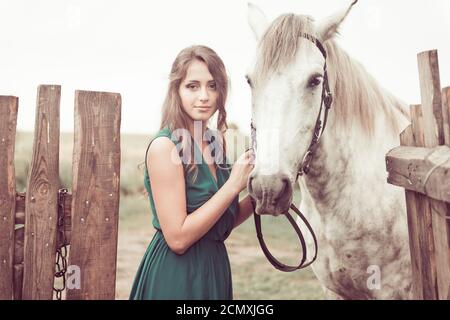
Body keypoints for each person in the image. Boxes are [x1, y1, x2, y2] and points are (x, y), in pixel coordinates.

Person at [129, 45, 255, 300]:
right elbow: (178, 238)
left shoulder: (213, 142)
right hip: (177, 276)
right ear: (176, 90)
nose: (204, 96)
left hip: (215, 270)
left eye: (213, 85)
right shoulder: (165, 147)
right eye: (192, 86)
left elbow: (222, 222)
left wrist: (258, 193)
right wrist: (233, 185)